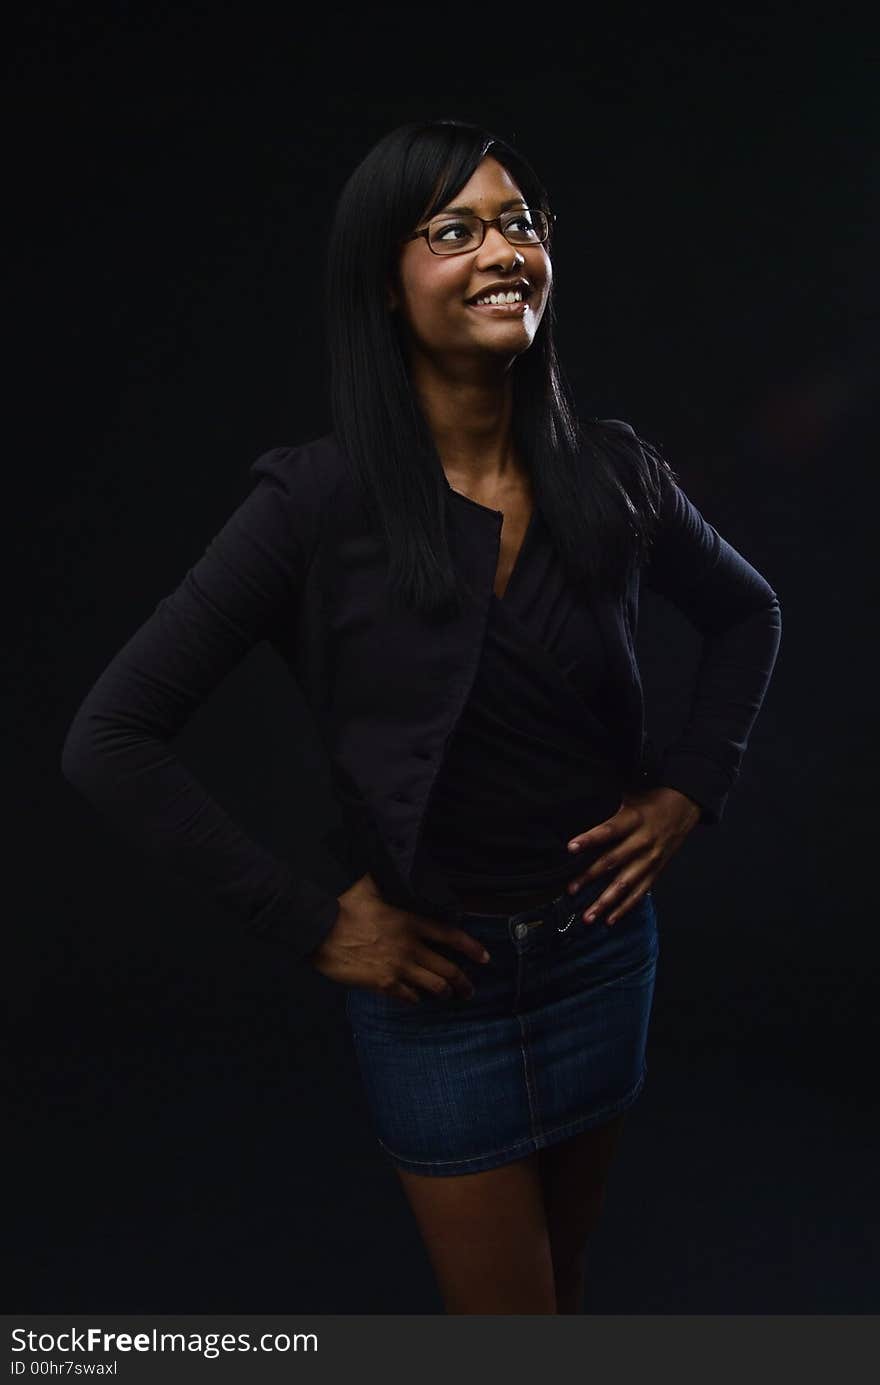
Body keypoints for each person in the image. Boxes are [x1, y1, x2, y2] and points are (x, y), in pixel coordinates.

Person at [61, 118, 782, 1314]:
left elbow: (748, 612)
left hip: (601, 956)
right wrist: (308, 923)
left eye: (518, 222)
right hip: (431, 994)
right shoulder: (313, 502)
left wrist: (688, 785)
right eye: (454, 230)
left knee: (565, 1287)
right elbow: (110, 737)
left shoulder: (612, 471)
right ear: (384, 287)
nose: (502, 251)